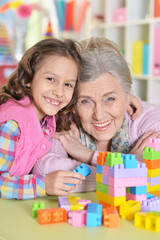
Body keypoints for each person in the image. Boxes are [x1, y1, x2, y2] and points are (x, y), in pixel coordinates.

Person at [33, 37, 160, 192]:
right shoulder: (65, 121)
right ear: (72, 102)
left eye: (110, 99)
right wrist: (131, 169)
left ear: (128, 96)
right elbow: (46, 170)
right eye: (85, 101)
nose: (98, 115)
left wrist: (89, 155)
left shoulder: (147, 119)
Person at [0, 38, 87, 199]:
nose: (59, 92)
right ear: (28, 79)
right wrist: (43, 184)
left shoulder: (48, 116)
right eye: (51, 79)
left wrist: (127, 98)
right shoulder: (11, 124)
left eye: (68, 85)